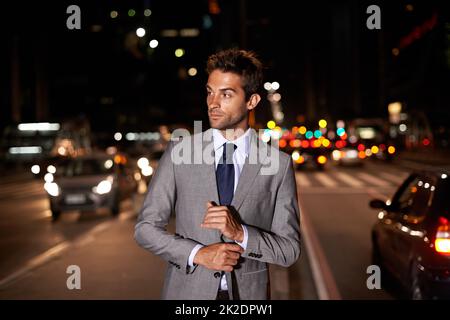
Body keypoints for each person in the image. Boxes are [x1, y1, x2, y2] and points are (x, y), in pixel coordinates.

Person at [135, 48, 301, 300]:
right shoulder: (180, 152)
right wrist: (197, 254)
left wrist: (240, 234)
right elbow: (145, 229)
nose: (213, 103)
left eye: (226, 94)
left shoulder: (278, 163)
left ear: (252, 101)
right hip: (187, 296)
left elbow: (289, 250)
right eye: (210, 92)